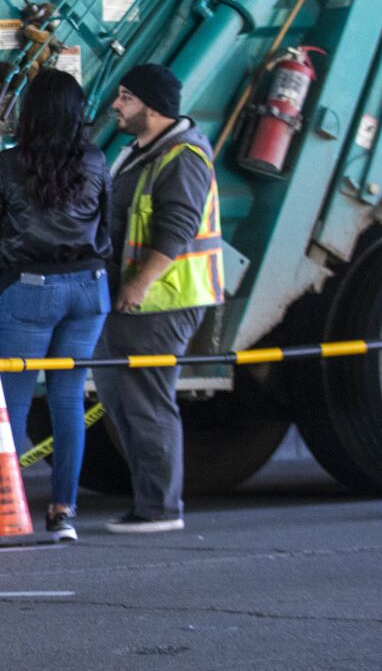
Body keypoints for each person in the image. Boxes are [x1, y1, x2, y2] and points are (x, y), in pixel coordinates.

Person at [0, 68, 111, 541]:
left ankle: (4, 508)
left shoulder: (9, 164)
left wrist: (6, 277)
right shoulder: (95, 160)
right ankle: (62, 511)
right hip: (90, 288)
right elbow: (107, 228)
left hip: (30, 288)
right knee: (68, 398)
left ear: (31, 112)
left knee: (9, 401)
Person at [93, 63, 223, 535]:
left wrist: (139, 284)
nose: (116, 105)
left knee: (147, 402)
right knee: (122, 401)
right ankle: (147, 501)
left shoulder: (183, 157)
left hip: (161, 301)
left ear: (152, 106)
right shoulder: (140, 151)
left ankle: (161, 508)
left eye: (125, 97)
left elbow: (178, 230)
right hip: (130, 301)